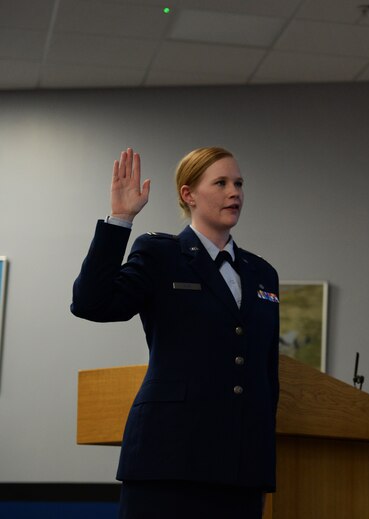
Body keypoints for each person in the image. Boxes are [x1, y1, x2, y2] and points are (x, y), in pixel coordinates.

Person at [71, 147, 279, 518]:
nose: (235, 192)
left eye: (239, 183)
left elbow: (266, 374)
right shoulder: (161, 254)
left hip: (239, 470)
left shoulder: (262, 273)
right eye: (221, 183)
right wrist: (120, 219)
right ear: (189, 195)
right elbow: (92, 303)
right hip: (167, 459)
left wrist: (260, 464)